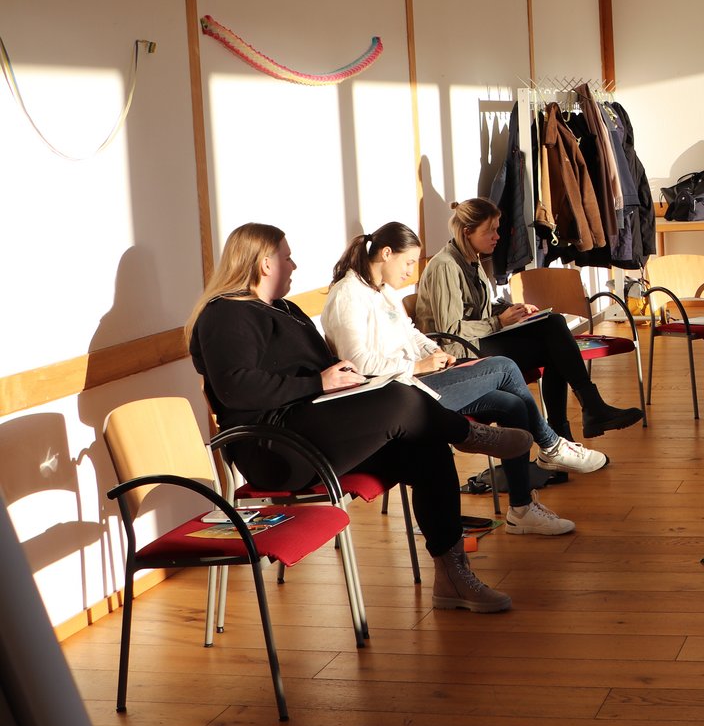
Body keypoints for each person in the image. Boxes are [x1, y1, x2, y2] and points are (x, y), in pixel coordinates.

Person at [187, 223, 531, 613]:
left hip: (313, 430)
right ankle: (466, 433)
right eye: (287, 258)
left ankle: (453, 577)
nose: (294, 265)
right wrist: (318, 382)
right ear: (266, 264)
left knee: (426, 443)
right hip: (276, 449)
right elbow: (236, 388)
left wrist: (344, 376)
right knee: (402, 397)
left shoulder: (285, 309)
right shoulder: (226, 314)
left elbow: (317, 368)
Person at [323, 222, 610, 536]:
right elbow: (358, 364)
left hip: (418, 379)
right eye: (408, 263)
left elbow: (412, 334)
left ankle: (521, 510)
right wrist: (418, 365)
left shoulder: (383, 291)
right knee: (503, 366)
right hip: (396, 396)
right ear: (387, 253)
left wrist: (434, 352)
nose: (411, 272)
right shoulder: (348, 295)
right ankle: (552, 446)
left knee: (512, 405)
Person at [414, 198, 643, 441]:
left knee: (552, 323)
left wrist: (513, 310)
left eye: (497, 229)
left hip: (475, 340)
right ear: (467, 231)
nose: (497, 236)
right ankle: (575, 424)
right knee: (554, 348)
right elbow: (450, 330)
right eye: (490, 230)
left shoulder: (472, 259)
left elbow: (476, 309)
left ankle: (581, 418)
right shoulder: (445, 266)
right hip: (456, 352)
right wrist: (499, 322)